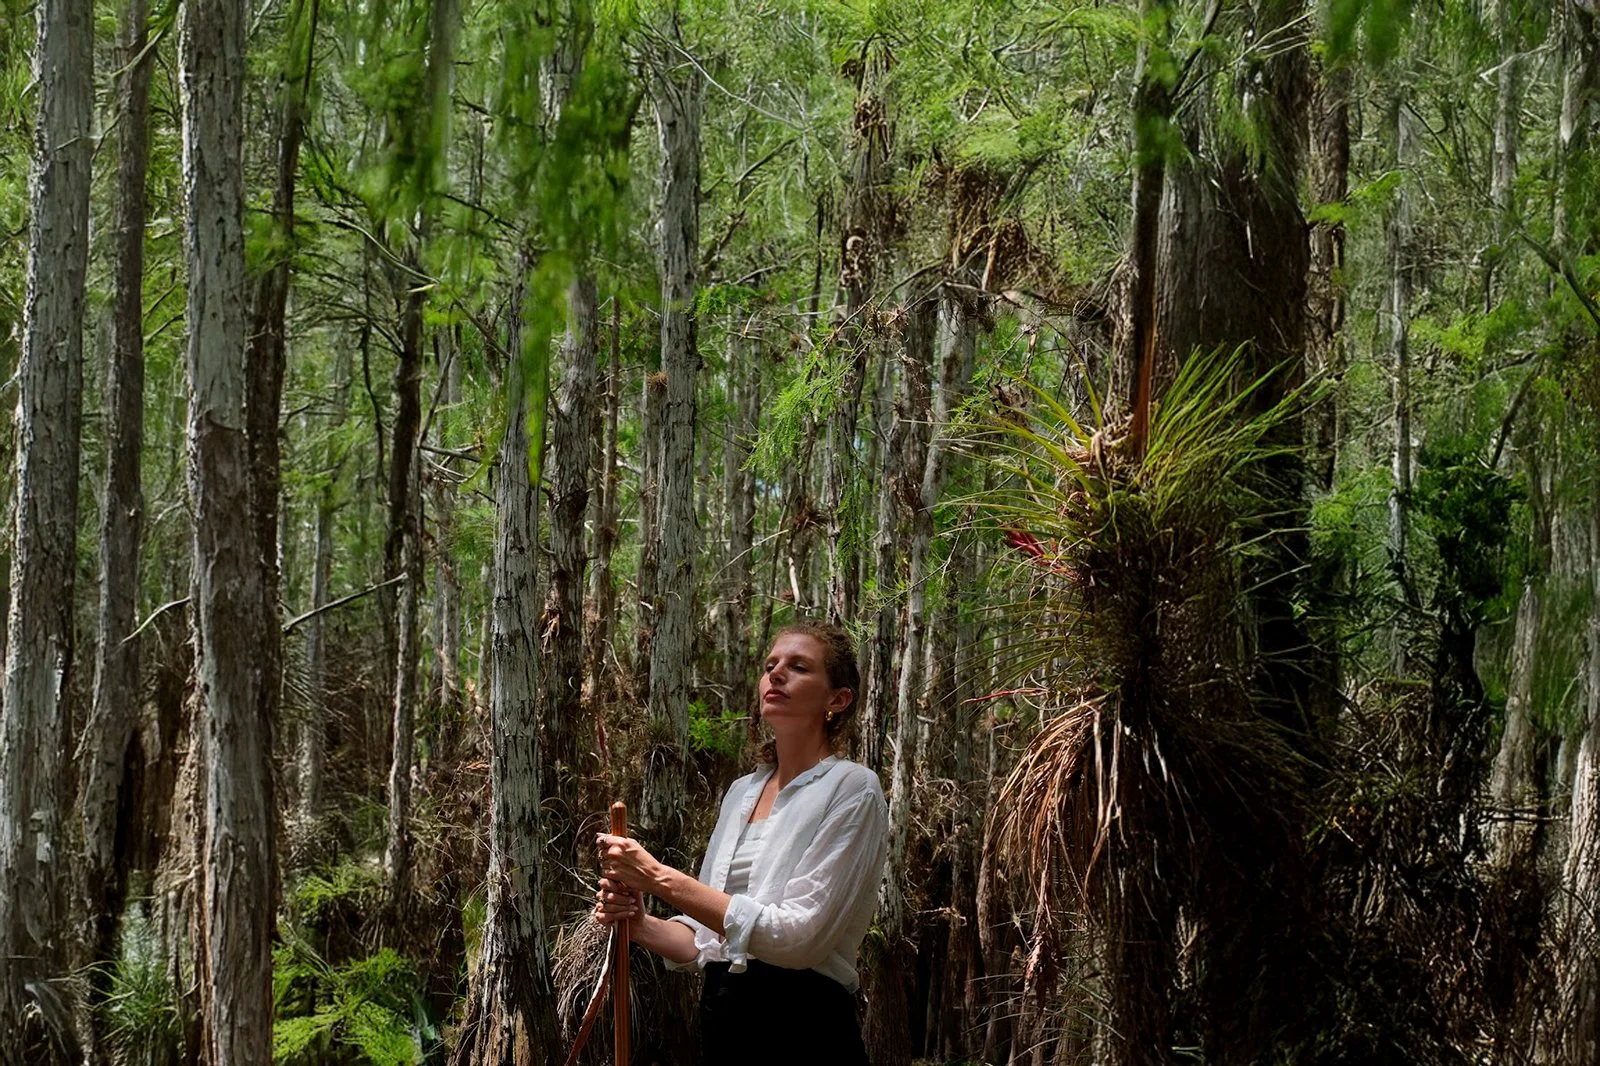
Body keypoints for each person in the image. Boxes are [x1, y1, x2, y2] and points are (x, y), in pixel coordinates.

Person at [593, 620, 889, 1065]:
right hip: (725, 1022)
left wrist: (657, 877)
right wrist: (640, 925)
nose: (777, 674)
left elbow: (798, 938)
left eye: (799, 666)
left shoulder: (853, 789)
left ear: (838, 699)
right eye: (770, 665)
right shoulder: (740, 793)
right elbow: (707, 943)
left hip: (805, 1027)